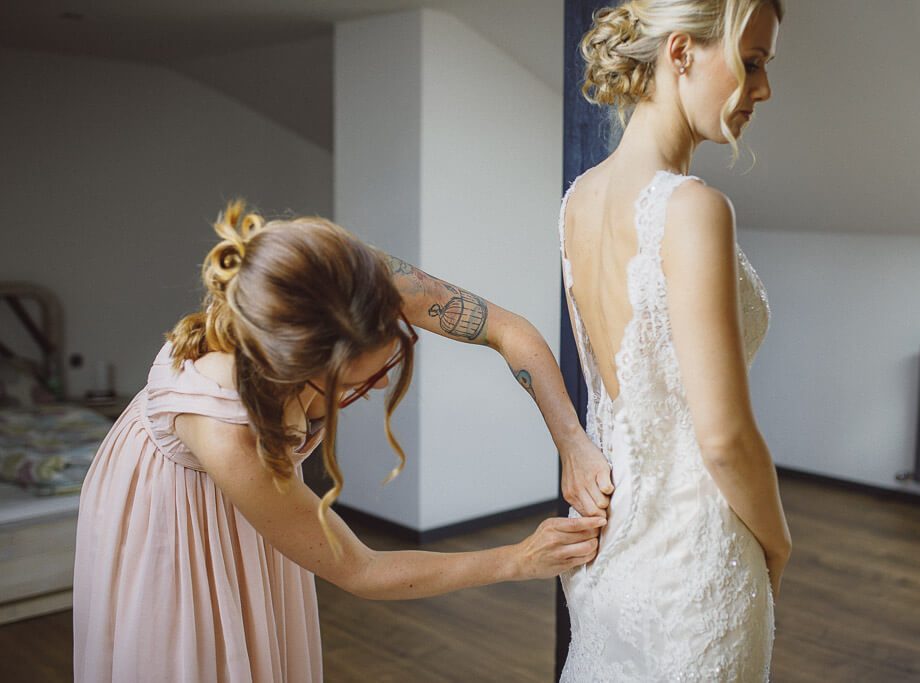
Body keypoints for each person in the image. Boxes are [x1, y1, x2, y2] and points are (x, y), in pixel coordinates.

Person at [73, 201, 612, 682]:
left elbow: (506, 329)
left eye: (387, 365)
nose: (379, 388)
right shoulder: (226, 429)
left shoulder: (356, 284)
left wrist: (572, 443)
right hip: (174, 513)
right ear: (296, 370)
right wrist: (518, 559)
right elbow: (361, 569)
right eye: (357, 383)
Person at [557, 1, 792, 680]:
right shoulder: (693, 210)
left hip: (613, 559)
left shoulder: (578, 198)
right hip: (698, 564)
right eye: (751, 63)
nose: (763, 89)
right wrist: (777, 541)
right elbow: (723, 436)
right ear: (681, 52)